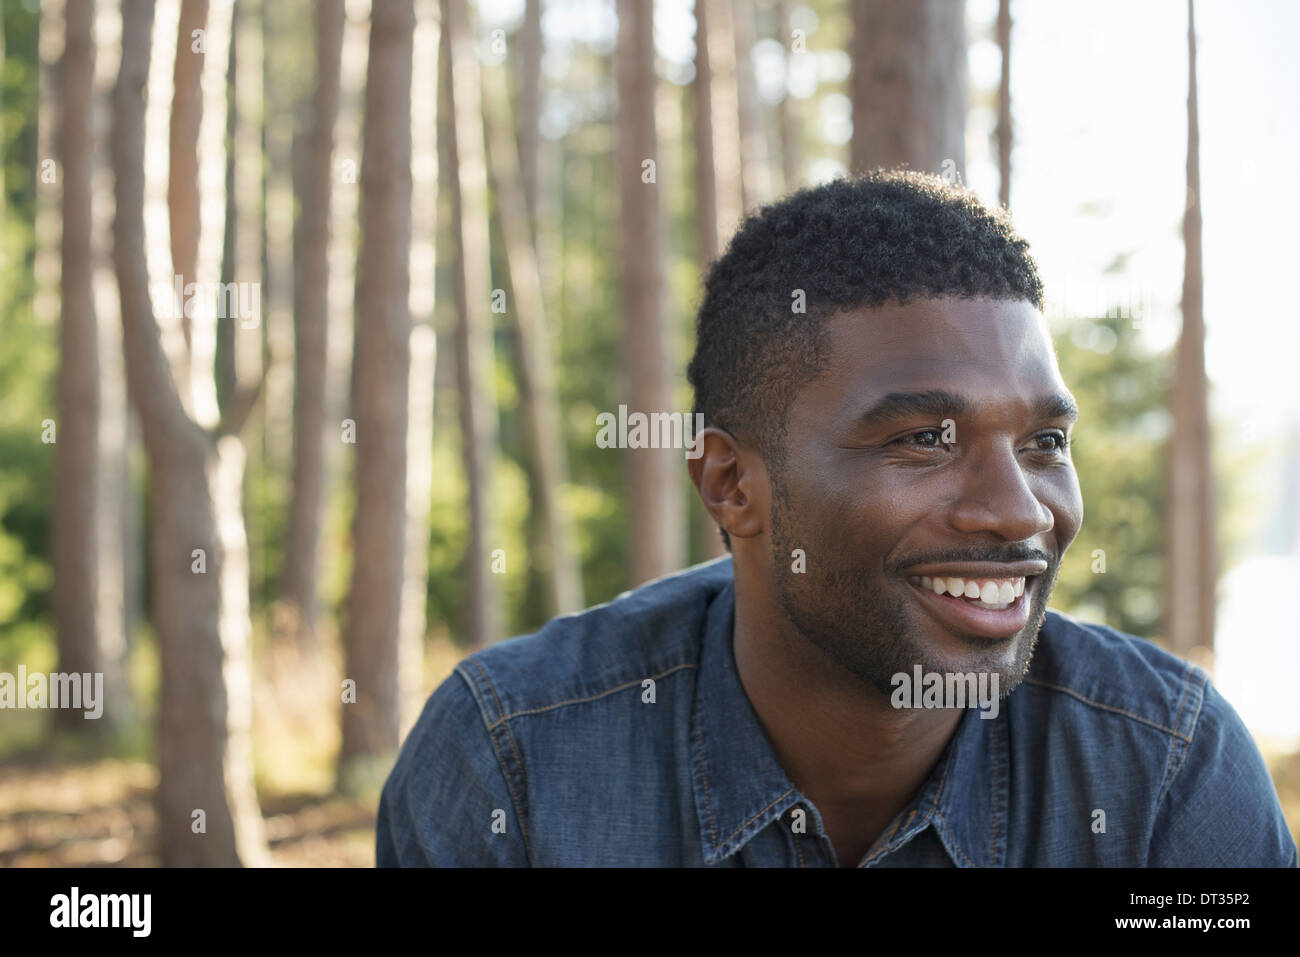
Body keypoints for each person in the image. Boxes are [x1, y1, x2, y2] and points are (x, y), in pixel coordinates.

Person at [376, 170, 1297, 867]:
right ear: (732, 487)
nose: (1019, 511)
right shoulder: (513, 764)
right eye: (924, 441)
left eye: (1044, 442)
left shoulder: (1166, 772)